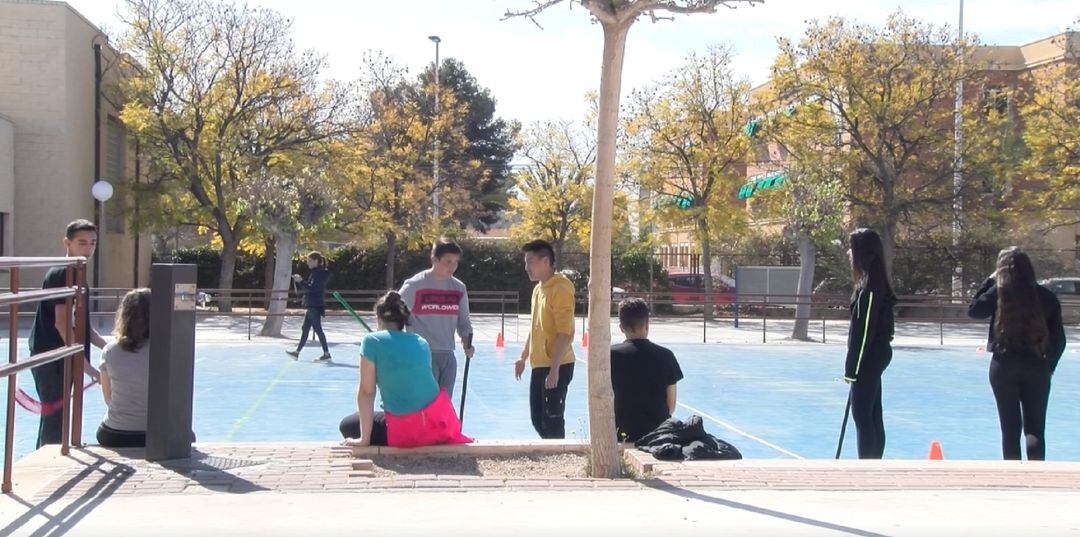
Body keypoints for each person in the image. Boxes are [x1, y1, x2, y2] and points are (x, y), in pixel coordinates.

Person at [968, 247, 1066, 460]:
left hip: (1004, 365)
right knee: (1035, 429)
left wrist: (989, 281)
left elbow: (974, 311)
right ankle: (1037, 475)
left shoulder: (999, 293)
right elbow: (1060, 340)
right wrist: (1050, 366)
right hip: (1037, 365)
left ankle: (1013, 475)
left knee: (1010, 429)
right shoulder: (1046, 296)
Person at [339, 291, 471, 448]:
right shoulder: (421, 341)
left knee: (347, 425)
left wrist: (364, 440)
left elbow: (367, 392)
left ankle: (371, 436)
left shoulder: (371, 341)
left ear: (378, 319)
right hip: (440, 425)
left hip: (408, 430)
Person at [29, 219, 106, 448]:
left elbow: (83, 327)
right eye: (82, 243)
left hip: (65, 355)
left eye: (92, 243)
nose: (88, 248)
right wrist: (87, 367)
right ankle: (46, 463)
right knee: (55, 415)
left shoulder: (79, 275)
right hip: (50, 355)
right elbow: (62, 324)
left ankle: (53, 455)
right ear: (67, 243)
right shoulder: (62, 273)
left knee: (60, 415)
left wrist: (111, 347)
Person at [842, 228, 897, 459]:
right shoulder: (873, 283)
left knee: (863, 416)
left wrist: (851, 369)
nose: (848, 254)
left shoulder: (869, 289)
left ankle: (867, 464)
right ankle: (874, 461)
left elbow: (863, 332)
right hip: (876, 354)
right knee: (873, 413)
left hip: (869, 356)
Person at [514, 239, 575, 439]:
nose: (526, 268)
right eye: (525, 263)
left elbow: (564, 332)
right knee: (537, 418)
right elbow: (535, 326)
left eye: (530, 262)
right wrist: (524, 357)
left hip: (558, 363)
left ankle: (560, 457)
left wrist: (555, 369)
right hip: (539, 364)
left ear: (545, 261)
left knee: (552, 418)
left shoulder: (561, 288)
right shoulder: (538, 289)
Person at [398, 239, 474, 397]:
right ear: (434, 259)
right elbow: (393, 312)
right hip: (421, 355)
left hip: (448, 356)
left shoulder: (459, 288)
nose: (452, 267)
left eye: (455, 262)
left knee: (444, 406)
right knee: (425, 404)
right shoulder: (414, 285)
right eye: (448, 261)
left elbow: (464, 322)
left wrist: (467, 342)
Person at [610, 298, 684, 442]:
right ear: (647, 325)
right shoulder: (666, 355)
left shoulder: (610, 355)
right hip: (658, 435)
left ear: (621, 327)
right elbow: (671, 405)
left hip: (621, 433)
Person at [97, 288, 151, 448]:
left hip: (115, 433)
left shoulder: (109, 350)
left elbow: (108, 399)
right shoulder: (168, 350)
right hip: (157, 435)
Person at [287, 251, 331, 362]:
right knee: (306, 328)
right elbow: (310, 287)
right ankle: (297, 352)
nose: (308, 263)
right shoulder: (316, 272)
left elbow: (312, 288)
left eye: (310, 261)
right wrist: (301, 281)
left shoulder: (320, 273)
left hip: (314, 304)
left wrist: (301, 281)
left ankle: (326, 353)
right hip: (313, 304)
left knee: (317, 329)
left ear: (316, 261)